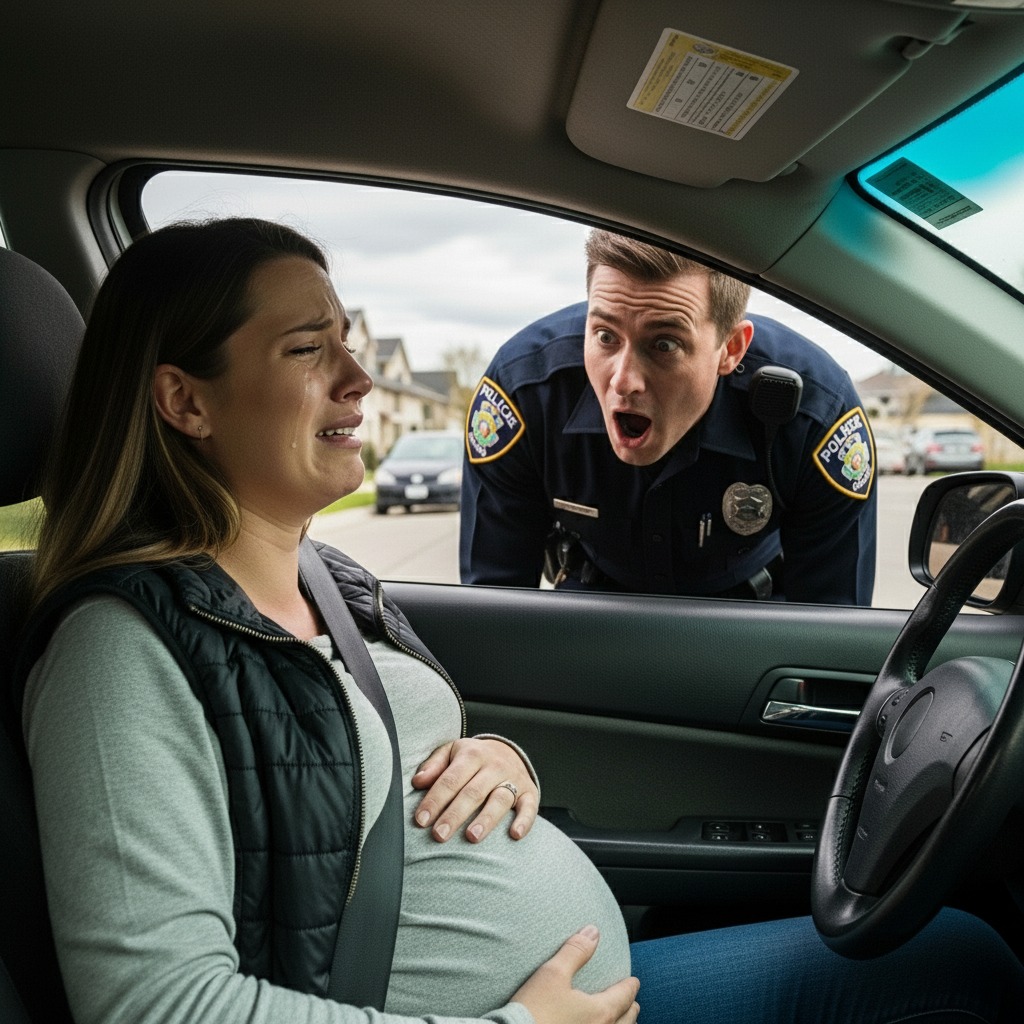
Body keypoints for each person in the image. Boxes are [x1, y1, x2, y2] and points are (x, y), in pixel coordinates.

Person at [15, 218, 1024, 1024]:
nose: (360, 379)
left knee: (959, 955)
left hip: (581, 994)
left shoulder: (327, 578)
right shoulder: (120, 654)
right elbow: (156, 1004)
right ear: (185, 402)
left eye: (348, 341)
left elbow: (360, 772)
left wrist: (499, 757)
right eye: (308, 349)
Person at [460, 230, 877, 604]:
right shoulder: (525, 392)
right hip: (590, 611)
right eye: (605, 336)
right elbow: (492, 611)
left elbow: (834, 631)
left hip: (752, 620)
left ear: (731, 349)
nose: (623, 381)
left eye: (664, 345)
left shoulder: (816, 416)